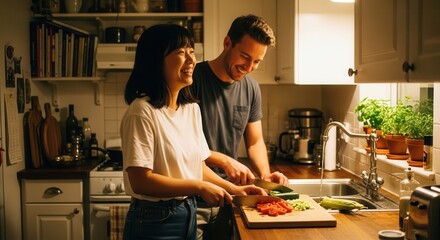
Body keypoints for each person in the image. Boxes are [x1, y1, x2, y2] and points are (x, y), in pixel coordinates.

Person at [120, 24, 266, 240]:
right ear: (155, 60)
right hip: (154, 219)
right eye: (180, 52)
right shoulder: (142, 111)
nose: (191, 61)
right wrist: (199, 187)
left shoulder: (191, 109)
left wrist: (234, 190)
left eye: (191, 52)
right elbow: (140, 181)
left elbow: (196, 166)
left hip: (187, 212)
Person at [191, 15, 289, 239]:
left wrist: (266, 176)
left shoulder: (252, 88)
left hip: (231, 197)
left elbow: (254, 142)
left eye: (257, 62)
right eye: (245, 57)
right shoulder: (192, 80)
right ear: (227, 44)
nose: (249, 67)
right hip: (194, 196)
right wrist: (225, 161)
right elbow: (182, 145)